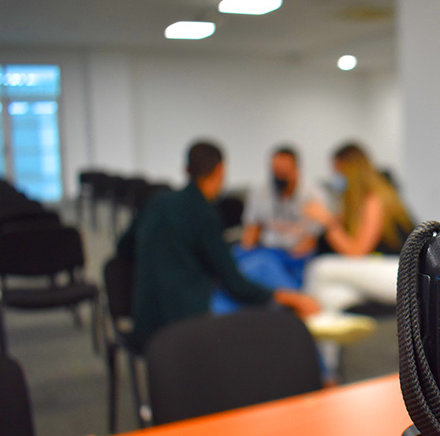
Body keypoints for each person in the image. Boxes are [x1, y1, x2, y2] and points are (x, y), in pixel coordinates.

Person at [117, 140, 318, 351]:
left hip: (146, 321)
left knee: (258, 265)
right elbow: (235, 284)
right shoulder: (203, 213)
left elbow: (123, 249)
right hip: (187, 324)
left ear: (185, 169)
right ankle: (313, 352)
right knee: (263, 275)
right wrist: (288, 298)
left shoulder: (156, 202)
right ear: (221, 169)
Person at [303, 142, 414, 312]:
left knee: (320, 269)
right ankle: (330, 338)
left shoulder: (374, 200)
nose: (334, 176)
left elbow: (356, 253)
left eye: (337, 171)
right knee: (333, 295)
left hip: (399, 273)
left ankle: (306, 330)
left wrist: (328, 222)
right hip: (383, 270)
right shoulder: (355, 204)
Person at [238, 146, 324, 287]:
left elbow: (309, 242)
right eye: (276, 172)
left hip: (296, 257)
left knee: (269, 268)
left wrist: (274, 263)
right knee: (240, 259)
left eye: (284, 172)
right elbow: (251, 231)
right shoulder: (260, 191)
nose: (279, 177)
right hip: (266, 250)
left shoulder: (313, 195)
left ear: (296, 170)